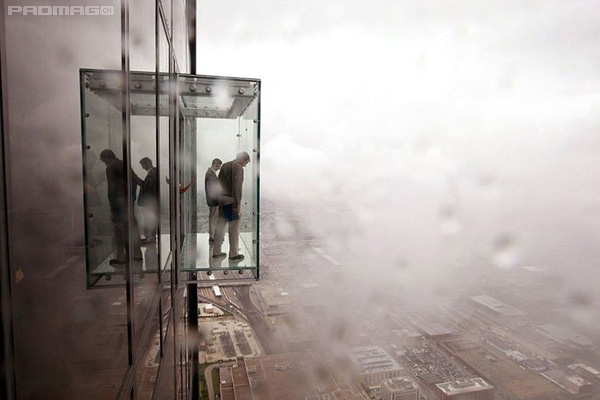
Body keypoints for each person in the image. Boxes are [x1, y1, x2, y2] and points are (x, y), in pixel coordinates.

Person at [99, 149, 143, 265]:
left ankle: (120, 258)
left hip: (118, 204)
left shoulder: (110, 167)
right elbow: (136, 180)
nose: (104, 163)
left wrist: (112, 205)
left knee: (118, 231)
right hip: (129, 201)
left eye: (104, 161)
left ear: (107, 158)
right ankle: (137, 255)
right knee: (133, 227)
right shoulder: (125, 164)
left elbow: (112, 188)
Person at [212, 152, 250, 261]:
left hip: (222, 200)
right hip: (231, 202)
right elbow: (237, 188)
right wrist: (237, 204)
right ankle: (233, 254)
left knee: (220, 226)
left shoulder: (225, 165)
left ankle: (216, 251)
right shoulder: (238, 168)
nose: (245, 165)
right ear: (242, 159)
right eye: (246, 162)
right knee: (234, 228)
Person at [135, 157, 158, 244]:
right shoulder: (153, 172)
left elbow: (146, 186)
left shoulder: (153, 173)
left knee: (149, 220)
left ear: (147, 163)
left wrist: (136, 179)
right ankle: (150, 237)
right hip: (151, 202)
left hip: (150, 202)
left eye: (143, 165)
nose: (142, 167)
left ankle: (150, 238)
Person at [205, 158, 223, 243]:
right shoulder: (210, 174)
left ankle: (213, 236)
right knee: (213, 219)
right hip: (214, 200)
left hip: (213, 200)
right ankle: (212, 236)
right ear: (215, 164)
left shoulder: (210, 173)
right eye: (218, 166)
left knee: (213, 218)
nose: (219, 168)